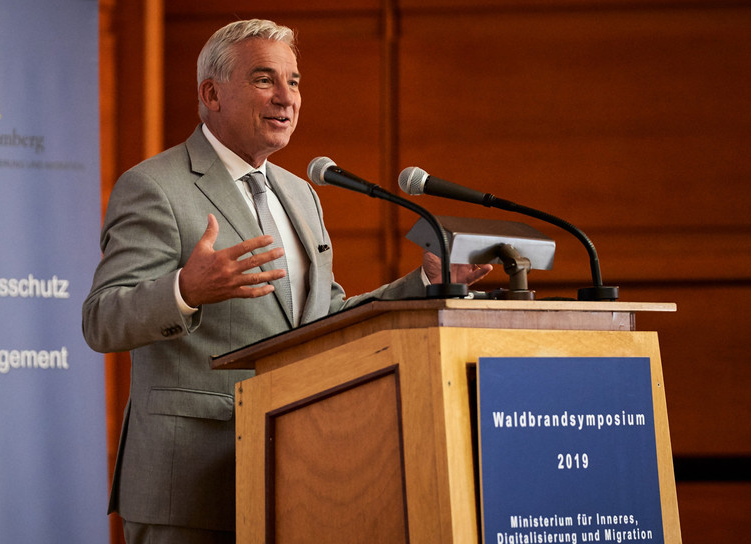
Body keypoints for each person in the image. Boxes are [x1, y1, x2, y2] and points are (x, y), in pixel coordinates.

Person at [82, 18, 491, 544]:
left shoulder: (300, 194)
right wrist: (185, 290)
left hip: (296, 471)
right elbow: (102, 320)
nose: (286, 98)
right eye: (263, 79)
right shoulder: (155, 186)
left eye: (293, 81)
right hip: (187, 486)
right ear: (212, 94)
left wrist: (425, 283)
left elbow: (323, 318)